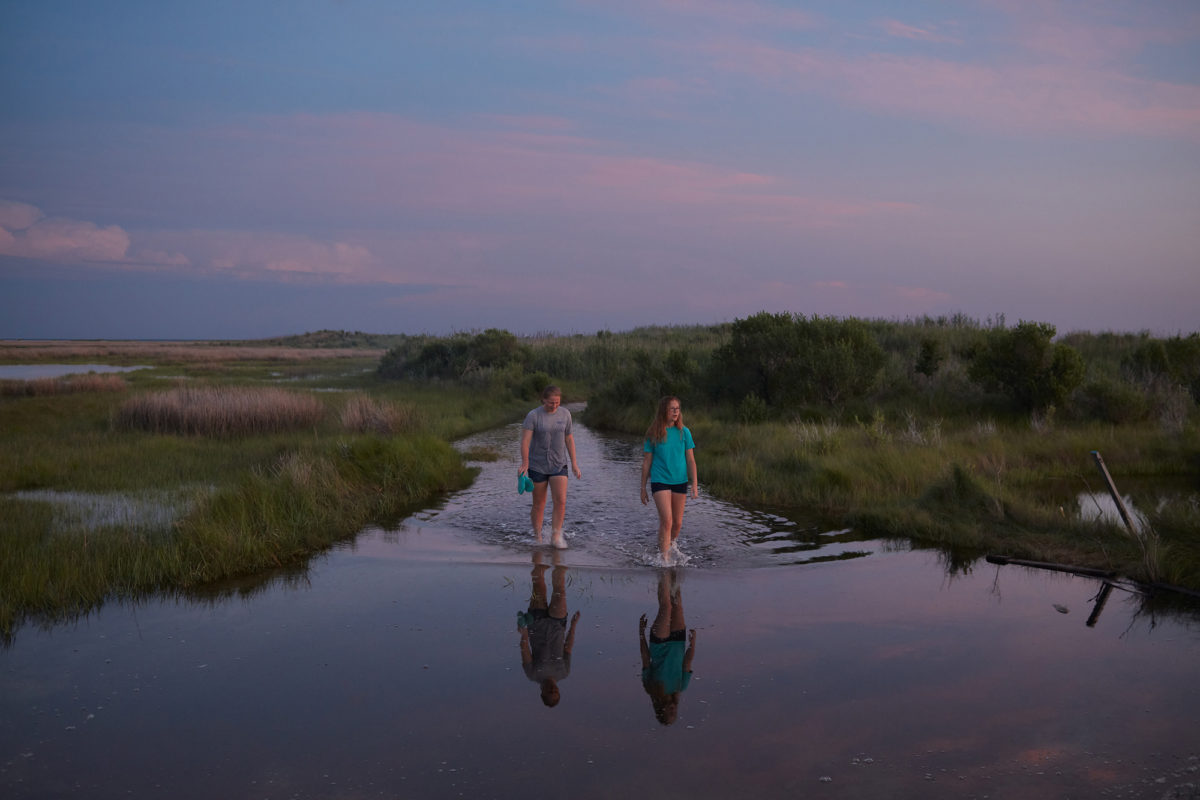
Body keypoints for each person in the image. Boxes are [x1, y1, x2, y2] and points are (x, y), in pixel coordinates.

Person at [519, 385, 581, 549]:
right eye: (551, 403)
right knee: (539, 504)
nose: (554, 406)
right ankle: (538, 536)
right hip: (537, 465)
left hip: (559, 464)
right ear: (543, 400)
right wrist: (525, 463)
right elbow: (525, 442)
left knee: (561, 501)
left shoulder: (565, 414)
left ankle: (556, 536)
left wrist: (574, 463)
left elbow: (569, 439)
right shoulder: (533, 416)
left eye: (557, 403)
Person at [518, 550, 580, 707]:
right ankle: (558, 549)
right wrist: (573, 625)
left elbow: (525, 650)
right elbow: (568, 648)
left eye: (549, 692)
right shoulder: (564, 673)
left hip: (536, 621)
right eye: (555, 692)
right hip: (558, 624)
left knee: (539, 583)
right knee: (560, 589)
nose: (553, 690)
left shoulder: (532, 674)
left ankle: (538, 546)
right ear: (559, 691)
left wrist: (524, 633)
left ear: (542, 693)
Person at [640, 395, 698, 562]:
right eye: (672, 409)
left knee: (677, 523)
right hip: (660, 480)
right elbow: (646, 462)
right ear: (663, 411)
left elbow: (691, 460)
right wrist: (643, 487)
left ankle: (668, 546)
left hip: (680, 481)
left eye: (677, 409)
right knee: (667, 520)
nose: (675, 412)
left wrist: (694, 483)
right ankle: (664, 560)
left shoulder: (684, 432)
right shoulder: (654, 433)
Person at [639, 568, 696, 725]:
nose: (673, 710)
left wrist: (641, 634)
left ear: (660, 710)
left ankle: (664, 568)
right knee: (677, 603)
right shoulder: (681, 686)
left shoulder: (651, 687)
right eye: (674, 713)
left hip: (659, 644)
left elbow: (645, 659)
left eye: (669, 713)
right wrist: (692, 645)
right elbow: (687, 663)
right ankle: (674, 568)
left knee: (666, 607)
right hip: (678, 641)